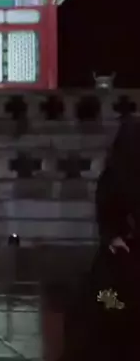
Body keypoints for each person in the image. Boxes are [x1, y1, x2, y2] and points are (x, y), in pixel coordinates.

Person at [59, 119, 140, 360]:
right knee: (107, 302)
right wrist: (113, 236)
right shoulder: (116, 172)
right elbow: (107, 209)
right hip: (122, 255)